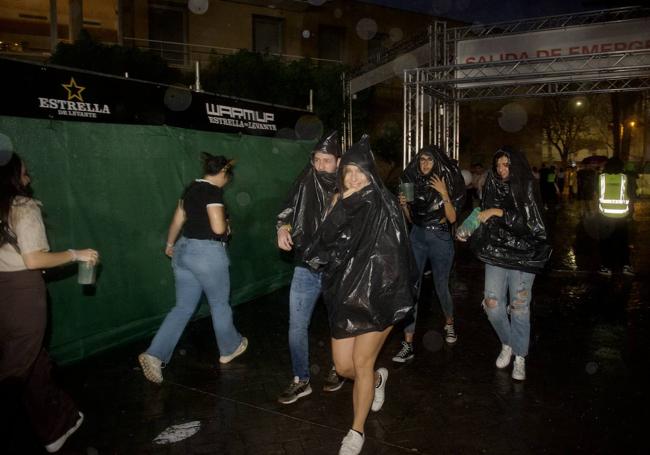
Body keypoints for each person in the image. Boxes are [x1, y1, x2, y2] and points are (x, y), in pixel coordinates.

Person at [304, 135, 415, 455]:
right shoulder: (338, 200)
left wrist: (386, 290)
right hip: (344, 295)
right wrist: (343, 205)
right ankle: (379, 381)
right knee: (343, 367)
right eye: (348, 170)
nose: (353, 177)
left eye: (359, 171)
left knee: (362, 363)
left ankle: (356, 431)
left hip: (378, 297)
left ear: (370, 173)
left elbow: (396, 252)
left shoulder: (385, 203)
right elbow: (322, 245)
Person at [0, 148, 99, 453]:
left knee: (34, 361)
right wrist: (75, 254)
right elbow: (32, 259)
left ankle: (59, 423)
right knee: (14, 372)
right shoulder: (22, 206)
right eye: (25, 172)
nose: (29, 179)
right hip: (21, 293)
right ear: (13, 176)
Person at [138, 153, 247, 384]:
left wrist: (169, 244)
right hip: (207, 254)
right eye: (228, 177)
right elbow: (217, 228)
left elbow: (178, 219)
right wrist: (227, 227)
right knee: (219, 305)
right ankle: (230, 348)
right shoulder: (213, 192)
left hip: (183, 250)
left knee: (182, 307)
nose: (227, 182)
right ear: (224, 173)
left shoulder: (190, 189)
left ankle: (154, 355)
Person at [466, 147, 551, 381]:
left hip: (525, 254)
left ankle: (520, 356)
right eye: (498, 165)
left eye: (506, 165)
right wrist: (471, 226)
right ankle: (508, 343)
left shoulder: (529, 186)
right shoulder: (492, 185)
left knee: (519, 306)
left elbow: (533, 225)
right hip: (498, 252)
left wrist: (497, 212)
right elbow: (483, 214)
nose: (502, 169)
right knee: (492, 305)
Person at [276, 131, 345, 404]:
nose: (320, 166)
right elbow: (287, 209)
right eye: (317, 160)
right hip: (305, 266)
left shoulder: (348, 184)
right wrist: (282, 227)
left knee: (339, 323)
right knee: (296, 325)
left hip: (337, 268)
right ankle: (300, 379)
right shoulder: (305, 181)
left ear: (338, 162)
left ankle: (339, 367)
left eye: (326, 160)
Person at [392, 145, 466, 363]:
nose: (424, 164)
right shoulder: (413, 182)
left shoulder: (445, 181)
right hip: (418, 236)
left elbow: (452, 219)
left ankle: (449, 323)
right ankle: (408, 343)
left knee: (440, 285)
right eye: (422, 160)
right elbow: (411, 219)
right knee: (412, 287)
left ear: (437, 163)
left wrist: (443, 192)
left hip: (441, 237)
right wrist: (404, 206)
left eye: (429, 160)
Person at [597, 157, 634, 277]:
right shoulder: (625, 178)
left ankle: (606, 267)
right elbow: (631, 195)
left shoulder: (601, 178)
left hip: (605, 216)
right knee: (623, 242)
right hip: (622, 216)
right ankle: (626, 266)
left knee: (606, 242)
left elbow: (597, 193)